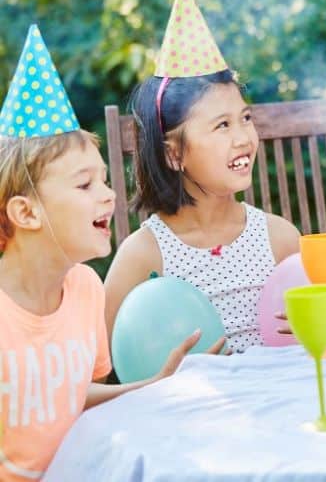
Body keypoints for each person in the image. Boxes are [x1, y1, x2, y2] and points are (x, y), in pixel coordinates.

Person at [104, 0, 326, 352]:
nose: (244, 137)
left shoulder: (279, 238)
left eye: (245, 119)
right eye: (222, 126)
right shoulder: (143, 255)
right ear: (174, 154)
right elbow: (110, 365)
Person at [0, 26, 208, 481]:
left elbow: (69, 397)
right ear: (25, 212)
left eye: (104, 180)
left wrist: (153, 387)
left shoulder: (85, 288)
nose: (110, 195)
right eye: (84, 185)